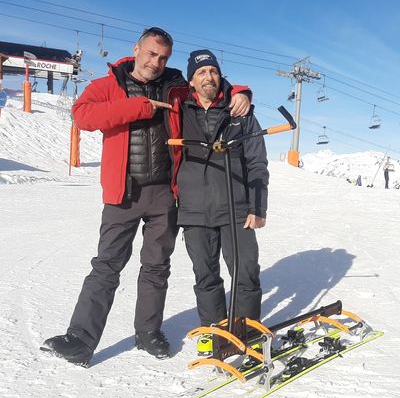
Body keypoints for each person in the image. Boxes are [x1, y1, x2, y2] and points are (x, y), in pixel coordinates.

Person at [40, 28, 251, 367]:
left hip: (163, 194)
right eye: (152, 54)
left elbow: (210, 87)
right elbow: (83, 115)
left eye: (163, 57)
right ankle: (80, 338)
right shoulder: (112, 83)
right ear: (137, 49)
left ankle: (148, 332)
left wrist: (242, 91)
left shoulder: (177, 86)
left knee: (156, 267)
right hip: (123, 192)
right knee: (107, 266)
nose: (157, 62)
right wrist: (137, 107)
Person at [174, 50, 268, 338]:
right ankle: (217, 332)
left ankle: (246, 332)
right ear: (191, 80)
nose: (208, 77)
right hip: (194, 209)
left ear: (221, 76)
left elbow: (256, 161)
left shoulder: (241, 112)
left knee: (246, 271)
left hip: (236, 206)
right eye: (201, 72)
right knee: (205, 276)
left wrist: (258, 206)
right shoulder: (178, 110)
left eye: (213, 71)